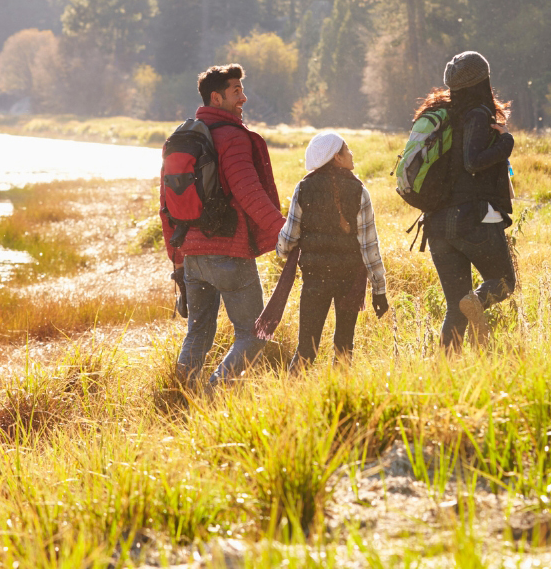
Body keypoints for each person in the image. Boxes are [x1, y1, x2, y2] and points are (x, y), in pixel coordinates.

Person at [161, 63, 285, 388]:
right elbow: (249, 192)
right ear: (216, 98)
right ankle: (214, 394)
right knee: (255, 334)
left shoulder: (181, 139)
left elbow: (166, 208)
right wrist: (284, 230)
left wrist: (177, 259)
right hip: (229, 253)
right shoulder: (232, 138)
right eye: (236, 92)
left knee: (198, 333)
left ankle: (183, 400)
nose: (243, 98)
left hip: (192, 257)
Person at [418, 50, 518, 349]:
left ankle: (446, 373)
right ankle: (474, 301)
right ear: (484, 80)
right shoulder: (477, 114)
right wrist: (506, 143)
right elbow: (473, 161)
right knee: (503, 283)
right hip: (470, 219)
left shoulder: (442, 116)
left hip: (436, 223)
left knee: (455, 306)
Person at [273, 131, 389, 370]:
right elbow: (369, 247)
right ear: (337, 157)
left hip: (315, 279)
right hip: (350, 280)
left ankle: (293, 398)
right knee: (345, 347)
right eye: (347, 150)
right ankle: (340, 398)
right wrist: (380, 290)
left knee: (306, 349)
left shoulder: (304, 188)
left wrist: (282, 250)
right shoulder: (359, 191)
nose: (351, 154)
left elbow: (288, 239)